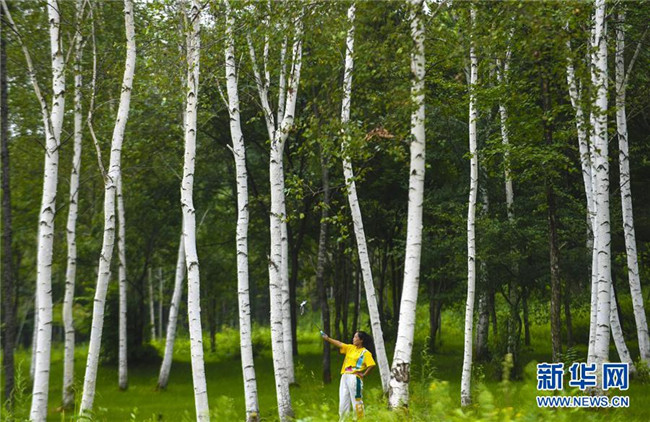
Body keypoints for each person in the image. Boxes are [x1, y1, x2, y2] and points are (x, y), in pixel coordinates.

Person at [322, 331, 376, 420]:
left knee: (357, 402)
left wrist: (364, 374)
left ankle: (359, 420)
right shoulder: (350, 348)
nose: (353, 339)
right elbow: (339, 343)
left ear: (361, 340)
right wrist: (327, 339)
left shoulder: (365, 353)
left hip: (355, 378)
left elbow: (372, 365)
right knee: (343, 402)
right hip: (345, 376)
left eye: (355, 337)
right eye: (354, 337)